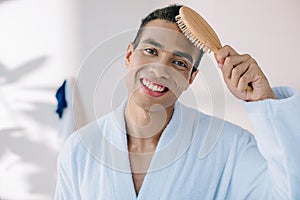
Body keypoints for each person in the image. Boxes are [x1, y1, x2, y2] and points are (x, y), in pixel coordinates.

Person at [54, 4, 300, 199]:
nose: (161, 70)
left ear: (191, 79)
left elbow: (289, 194)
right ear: (129, 55)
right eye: (151, 51)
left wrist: (264, 100)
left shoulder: (229, 146)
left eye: (179, 63)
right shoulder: (79, 150)